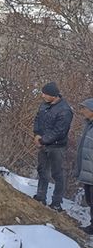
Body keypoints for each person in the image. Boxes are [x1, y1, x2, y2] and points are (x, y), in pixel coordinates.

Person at [32, 82, 73, 211]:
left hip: (56, 147)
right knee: (42, 171)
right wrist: (37, 135)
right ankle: (40, 196)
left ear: (53, 95)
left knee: (57, 174)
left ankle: (56, 202)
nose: (43, 95)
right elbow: (37, 120)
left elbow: (60, 131)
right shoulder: (44, 105)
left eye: (45, 94)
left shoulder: (65, 110)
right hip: (43, 143)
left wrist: (43, 140)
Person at [75, 98, 93, 234]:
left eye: (85, 109)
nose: (82, 111)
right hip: (87, 170)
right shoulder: (88, 124)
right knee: (90, 200)